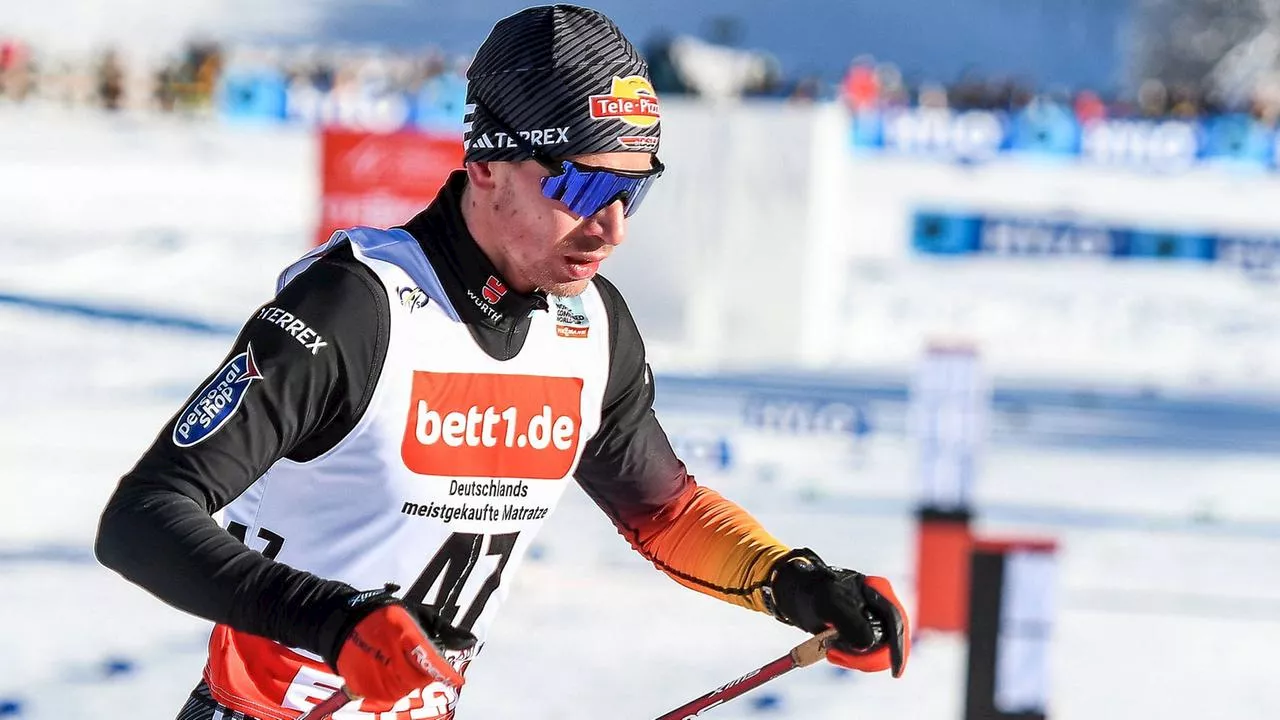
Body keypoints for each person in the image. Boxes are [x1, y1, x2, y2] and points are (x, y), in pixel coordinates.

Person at [94, 6, 910, 720]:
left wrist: (798, 584)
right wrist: (340, 625)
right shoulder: (357, 305)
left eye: (635, 191)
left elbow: (663, 511)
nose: (613, 227)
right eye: (585, 189)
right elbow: (143, 521)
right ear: (485, 163)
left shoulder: (590, 327)